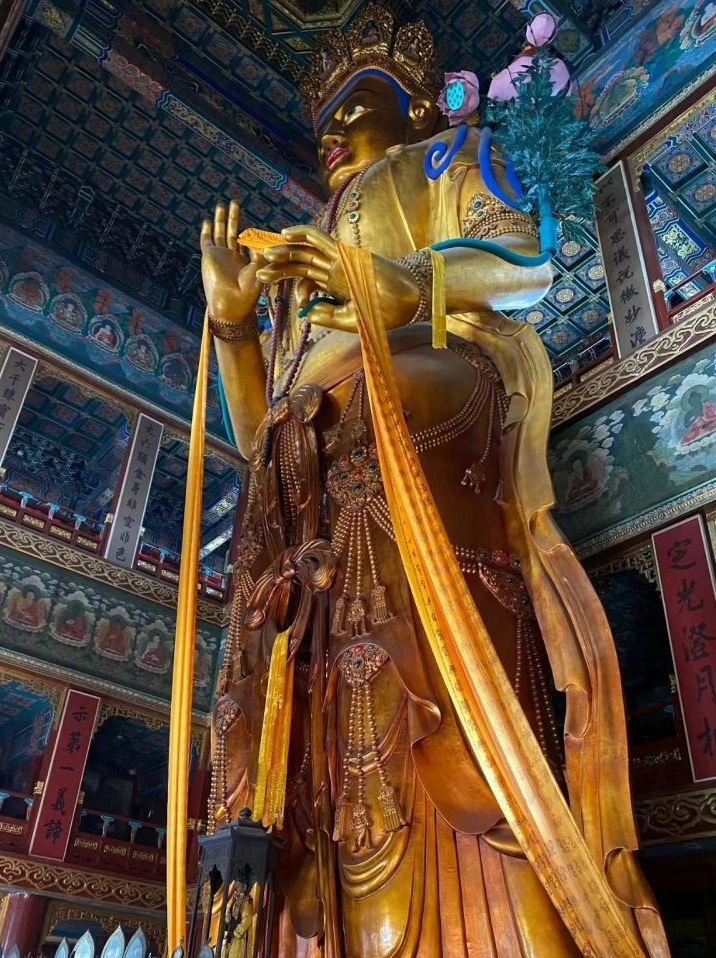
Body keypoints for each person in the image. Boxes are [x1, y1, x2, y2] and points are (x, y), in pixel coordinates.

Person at [199, 5, 669, 956]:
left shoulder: (442, 163)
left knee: (391, 404)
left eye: (355, 106)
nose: (332, 133)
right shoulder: (298, 255)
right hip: (311, 483)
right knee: (269, 507)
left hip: (419, 388)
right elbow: (256, 434)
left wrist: (401, 288)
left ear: (414, 106)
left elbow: (528, 264)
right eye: (321, 120)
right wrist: (238, 328)